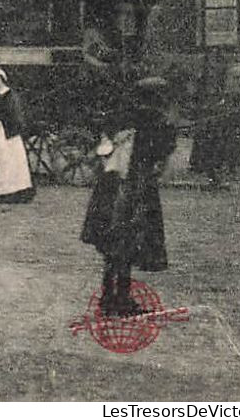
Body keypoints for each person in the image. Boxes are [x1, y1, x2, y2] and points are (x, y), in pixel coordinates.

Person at [81, 77, 176, 317]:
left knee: (112, 245)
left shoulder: (120, 117)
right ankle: (121, 299)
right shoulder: (158, 121)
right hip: (136, 188)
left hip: (109, 188)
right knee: (128, 243)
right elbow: (161, 156)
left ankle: (107, 296)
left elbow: (103, 148)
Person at [0, 68, 35, 203]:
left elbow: (16, 115)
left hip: (8, 133)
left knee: (10, 161)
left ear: (3, 81)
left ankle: (12, 191)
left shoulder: (10, 95)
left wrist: (13, 128)